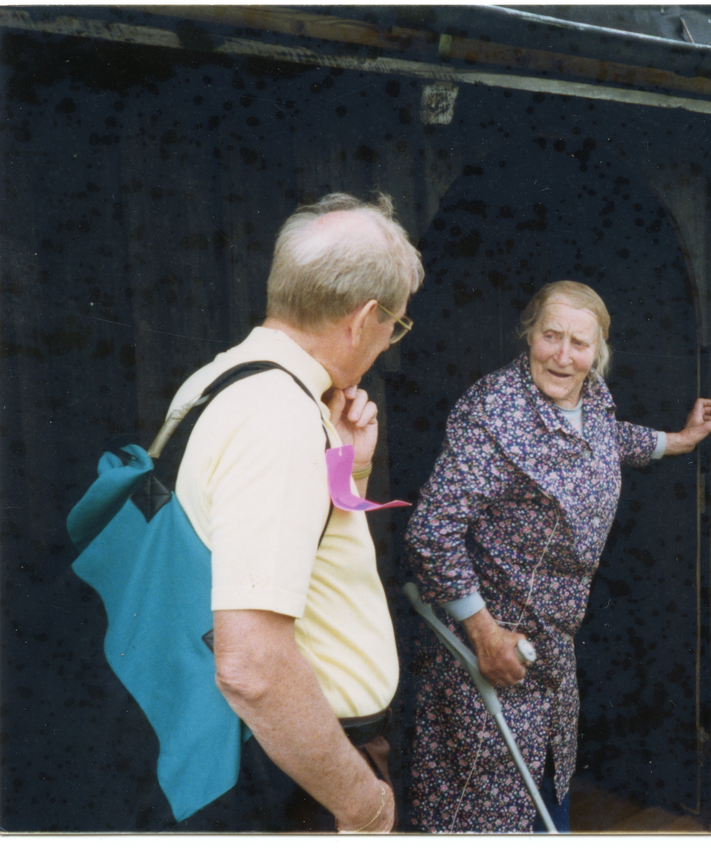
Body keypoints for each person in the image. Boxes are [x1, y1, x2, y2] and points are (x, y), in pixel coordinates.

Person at [404, 280, 711, 832]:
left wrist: (676, 440)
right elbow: (432, 531)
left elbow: (606, 439)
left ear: (597, 352)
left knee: (547, 782)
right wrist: (483, 635)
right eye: (550, 336)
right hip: (490, 645)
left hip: (551, 645)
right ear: (528, 334)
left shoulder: (593, 397)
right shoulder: (491, 411)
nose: (562, 355)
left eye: (579, 343)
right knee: (483, 800)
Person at [168, 192, 423, 831]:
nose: (390, 340)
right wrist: (362, 805)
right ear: (364, 318)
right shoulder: (278, 420)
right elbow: (251, 666)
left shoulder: (224, 379)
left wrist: (351, 467)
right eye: (396, 323)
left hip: (284, 754)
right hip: (301, 774)